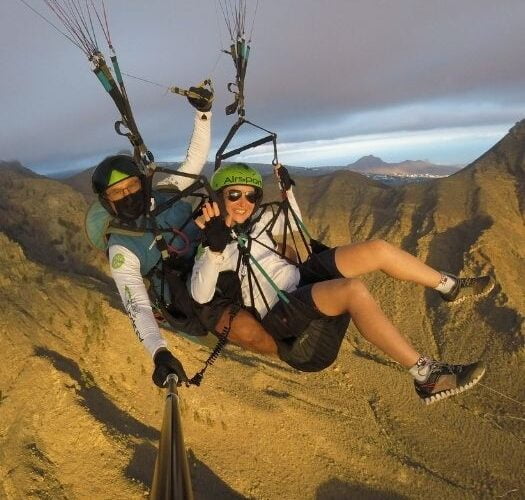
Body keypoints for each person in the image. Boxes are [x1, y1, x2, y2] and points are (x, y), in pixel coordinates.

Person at [191, 162, 494, 404]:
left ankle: (449, 286)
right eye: (234, 195)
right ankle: (426, 375)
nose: (243, 202)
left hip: (302, 278)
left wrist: (286, 190)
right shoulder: (212, 241)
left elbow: (293, 219)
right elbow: (200, 294)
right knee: (353, 290)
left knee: (377, 249)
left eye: (251, 196)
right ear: (219, 197)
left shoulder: (258, 221)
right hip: (281, 309)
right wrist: (214, 247)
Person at [90, 92, 277, 390]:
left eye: (131, 186)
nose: (127, 195)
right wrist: (159, 352)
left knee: (285, 252)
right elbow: (136, 303)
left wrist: (204, 114)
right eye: (117, 193)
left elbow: (194, 163)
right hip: (191, 297)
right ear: (107, 202)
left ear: (143, 182)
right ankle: (296, 350)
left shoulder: (166, 192)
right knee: (259, 338)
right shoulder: (122, 247)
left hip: (218, 256)